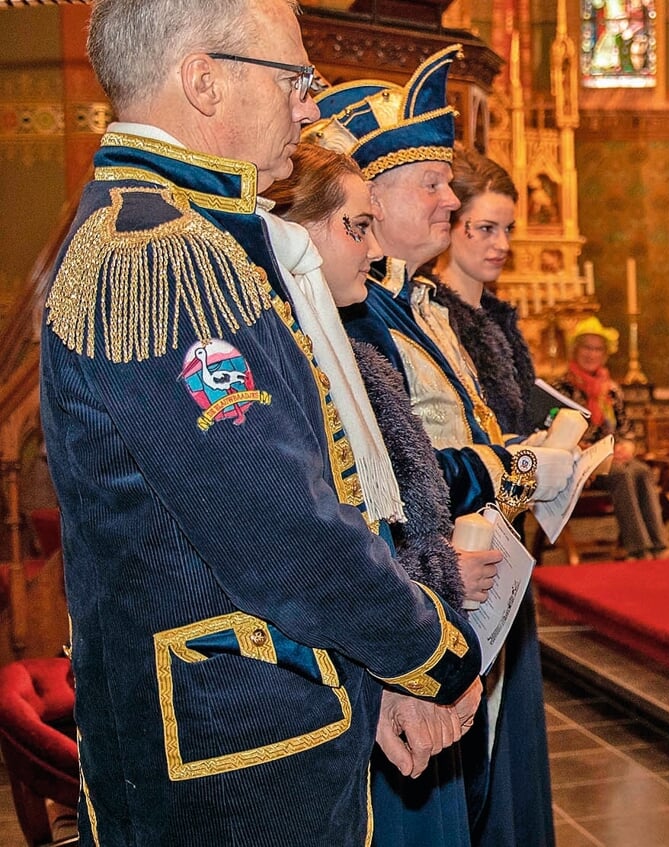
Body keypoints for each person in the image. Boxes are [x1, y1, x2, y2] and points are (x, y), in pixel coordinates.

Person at [40, 2, 482, 843]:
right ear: (203, 80)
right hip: (231, 751)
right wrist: (434, 653)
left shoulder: (183, 237)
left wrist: (371, 677)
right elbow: (281, 528)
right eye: (296, 79)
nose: (309, 105)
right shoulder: (156, 257)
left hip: (268, 713)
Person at [310, 46, 559, 847]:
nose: (451, 198)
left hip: (470, 579)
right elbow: (382, 479)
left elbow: (462, 432)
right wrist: (516, 468)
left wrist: (528, 471)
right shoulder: (356, 316)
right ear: (372, 200)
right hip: (420, 597)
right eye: (434, 182)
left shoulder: (413, 304)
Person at [266, 141, 506, 846]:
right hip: (351, 662)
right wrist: (421, 646)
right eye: (357, 226)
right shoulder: (304, 349)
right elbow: (310, 537)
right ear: (295, 232)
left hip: (394, 635)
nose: (371, 252)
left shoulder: (355, 333)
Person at [430, 147, 536, 437]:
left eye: (508, 229)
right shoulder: (434, 316)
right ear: (448, 224)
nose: (503, 244)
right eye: (487, 228)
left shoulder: (499, 320)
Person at [554, 316, 669, 560]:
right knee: (622, 474)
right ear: (576, 350)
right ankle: (638, 551)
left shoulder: (611, 390)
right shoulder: (561, 387)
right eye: (586, 347)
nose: (591, 354)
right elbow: (552, 433)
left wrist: (626, 447)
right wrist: (588, 449)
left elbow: (626, 429)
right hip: (578, 461)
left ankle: (659, 547)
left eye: (597, 349)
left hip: (611, 457)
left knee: (641, 470)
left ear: (604, 354)